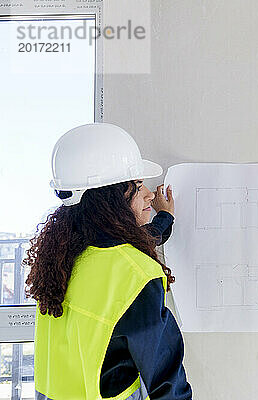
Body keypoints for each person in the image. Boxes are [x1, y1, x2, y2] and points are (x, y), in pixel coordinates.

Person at [25, 123, 192, 399]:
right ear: (109, 200)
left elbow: (129, 244)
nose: (149, 194)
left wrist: (165, 219)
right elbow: (167, 385)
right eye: (137, 186)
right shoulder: (136, 275)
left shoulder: (63, 257)